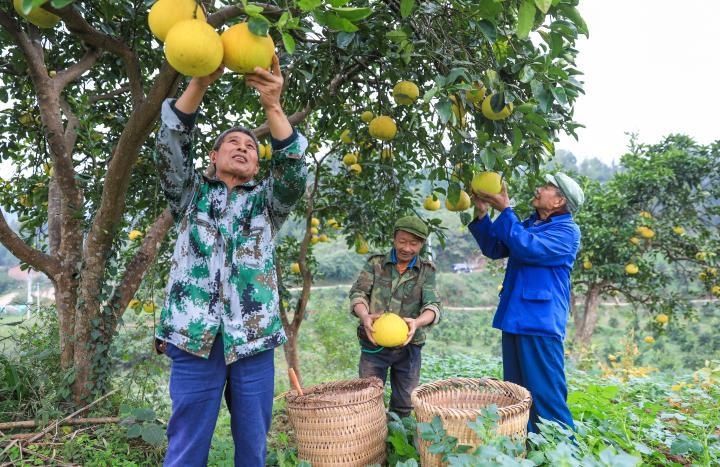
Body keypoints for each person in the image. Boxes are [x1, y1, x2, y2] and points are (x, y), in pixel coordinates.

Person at [153, 56, 307, 467]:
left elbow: (293, 171)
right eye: (233, 144)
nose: (242, 148)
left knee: (253, 449)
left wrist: (274, 106)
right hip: (193, 339)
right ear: (213, 155)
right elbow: (170, 146)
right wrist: (199, 82)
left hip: (254, 340)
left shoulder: (266, 204)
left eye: (251, 147)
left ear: (257, 166)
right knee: (185, 446)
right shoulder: (188, 194)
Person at [468, 173, 584, 433]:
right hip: (516, 318)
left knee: (545, 394)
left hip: (539, 322)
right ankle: (528, 445)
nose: (538, 188)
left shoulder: (566, 231)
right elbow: (495, 248)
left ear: (559, 201)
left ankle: (563, 450)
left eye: (546, 187)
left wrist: (506, 210)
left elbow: (528, 248)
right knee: (516, 393)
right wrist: (482, 213)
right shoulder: (532, 223)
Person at [349, 216, 442, 417]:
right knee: (368, 400)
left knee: (405, 403)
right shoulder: (376, 264)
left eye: (413, 244)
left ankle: (397, 442)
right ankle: (372, 443)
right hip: (374, 343)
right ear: (394, 239)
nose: (407, 248)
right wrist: (365, 316)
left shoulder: (426, 271)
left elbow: (432, 306)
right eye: (402, 241)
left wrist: (417, 322)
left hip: (409, 346)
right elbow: (358, 294)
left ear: (422, 244)